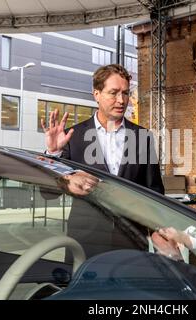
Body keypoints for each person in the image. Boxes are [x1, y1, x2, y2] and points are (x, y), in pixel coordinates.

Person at [41, 64, 164, 261]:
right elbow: (47, 194)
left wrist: (159, 233)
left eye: (125, 93)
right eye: (113, 92)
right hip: (86, 243)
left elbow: (155, 193)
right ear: (96, 94)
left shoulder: (143, 137)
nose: (121, 100)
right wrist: (53, 153)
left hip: (132, 242)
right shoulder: (73, 136)